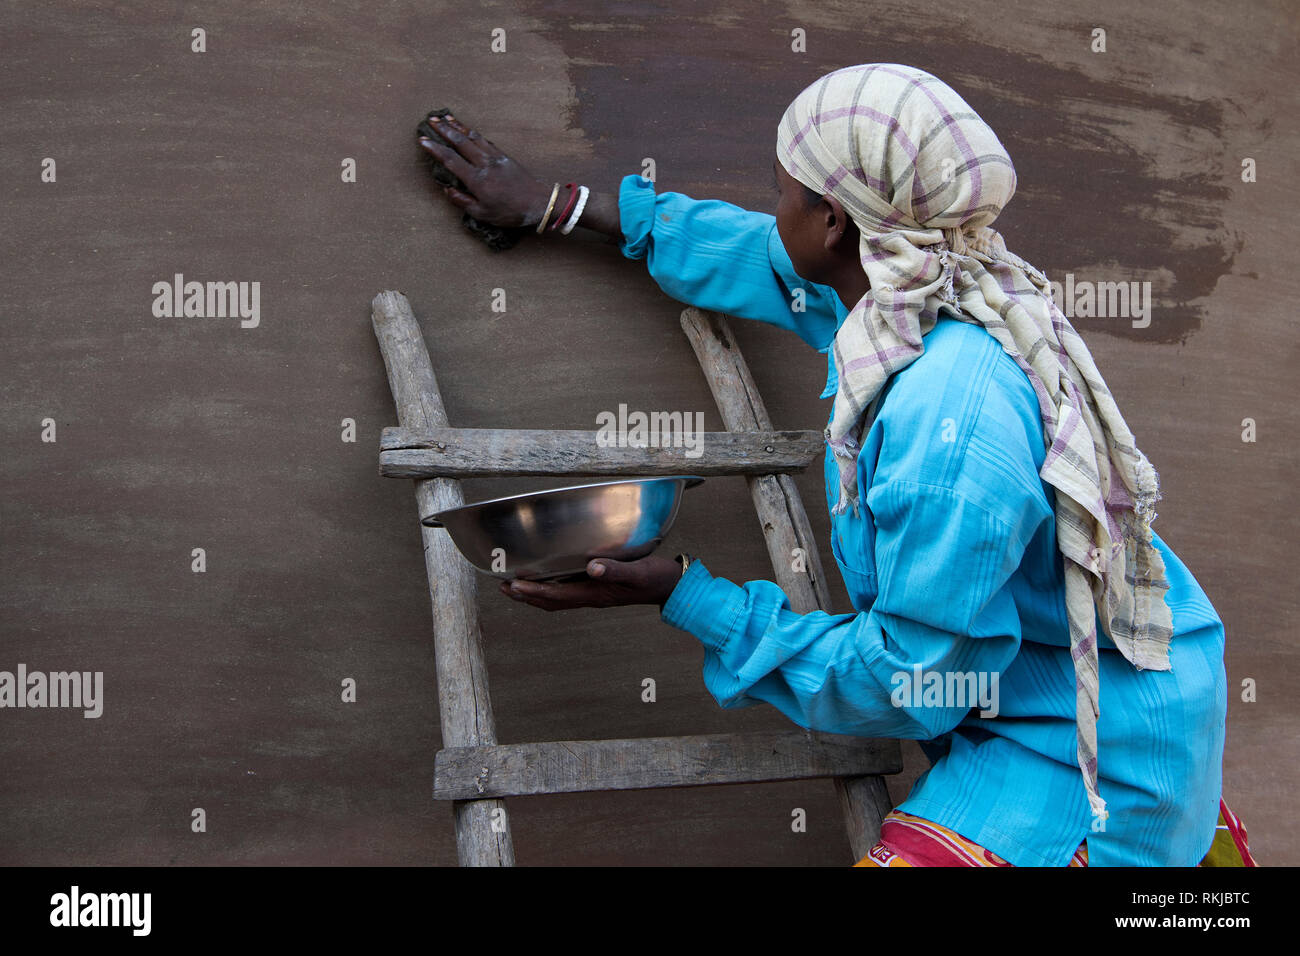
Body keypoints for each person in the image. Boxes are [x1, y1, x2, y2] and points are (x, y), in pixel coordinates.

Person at [416, 63, 1256, 867]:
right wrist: (568, 208)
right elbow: (768, 263)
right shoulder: (936, 291)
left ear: (833, 225)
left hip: (1084, 760)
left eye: (784, 191)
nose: (773, 208)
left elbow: (912, 682)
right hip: (1098, 699)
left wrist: (686, 596)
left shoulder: (943, 429)